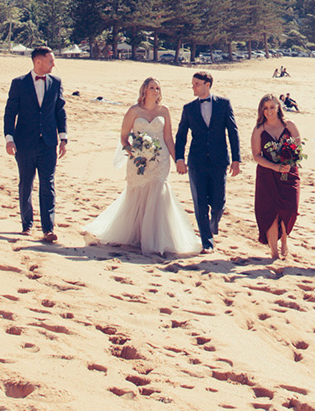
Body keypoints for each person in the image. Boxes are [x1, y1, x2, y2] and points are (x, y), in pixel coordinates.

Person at [82, 78, 200, 258]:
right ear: (144, 90)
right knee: (137, 194)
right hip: (138, 160)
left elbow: (168, 138)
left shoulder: (164, 111)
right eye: (152, 87)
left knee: (158, 193)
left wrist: (177, 159)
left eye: (158, 88)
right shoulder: (134, 111)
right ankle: (137, 234)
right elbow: (123, 137)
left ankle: (156, 239)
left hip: (160, 160)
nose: (155, 91)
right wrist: (134, 152)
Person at [3, 46, 69, 241]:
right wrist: (9, 139)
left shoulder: (56, 83)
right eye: (51, 60)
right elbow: (10, 113)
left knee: (48, 184)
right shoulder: (19, 83)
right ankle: (27, 224)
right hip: (24, 142)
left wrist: (63, 139)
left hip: (48, 142)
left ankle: (48, 228)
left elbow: (60, 111)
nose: (54, 64)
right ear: (38, 61)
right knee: (26, 183)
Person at [174, 71, 241, 253]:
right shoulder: (188, 108)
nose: (193, 87)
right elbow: (181, 136)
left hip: (219, 161)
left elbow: (233, 132)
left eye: (196, 83)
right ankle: (207, 241)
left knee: (219, 203)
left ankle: (213, 223)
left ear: (207, 84)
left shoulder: (224, 104)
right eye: (193, 83)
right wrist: (179, 159)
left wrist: (236, 160)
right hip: (196, 161)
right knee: (200, 203)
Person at [251, 93, 301, 267]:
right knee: (270, 212)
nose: (269, 111)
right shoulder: (259, 129)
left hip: (289, 173)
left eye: (272, 107)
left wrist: (289, 162)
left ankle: (285, 239)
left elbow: (298, 148)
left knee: (290, 209)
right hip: (267, 175)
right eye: (265, 108)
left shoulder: (290, 125)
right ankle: (273, 250)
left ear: (279, 107)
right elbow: (256, 156)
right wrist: (274, 166)